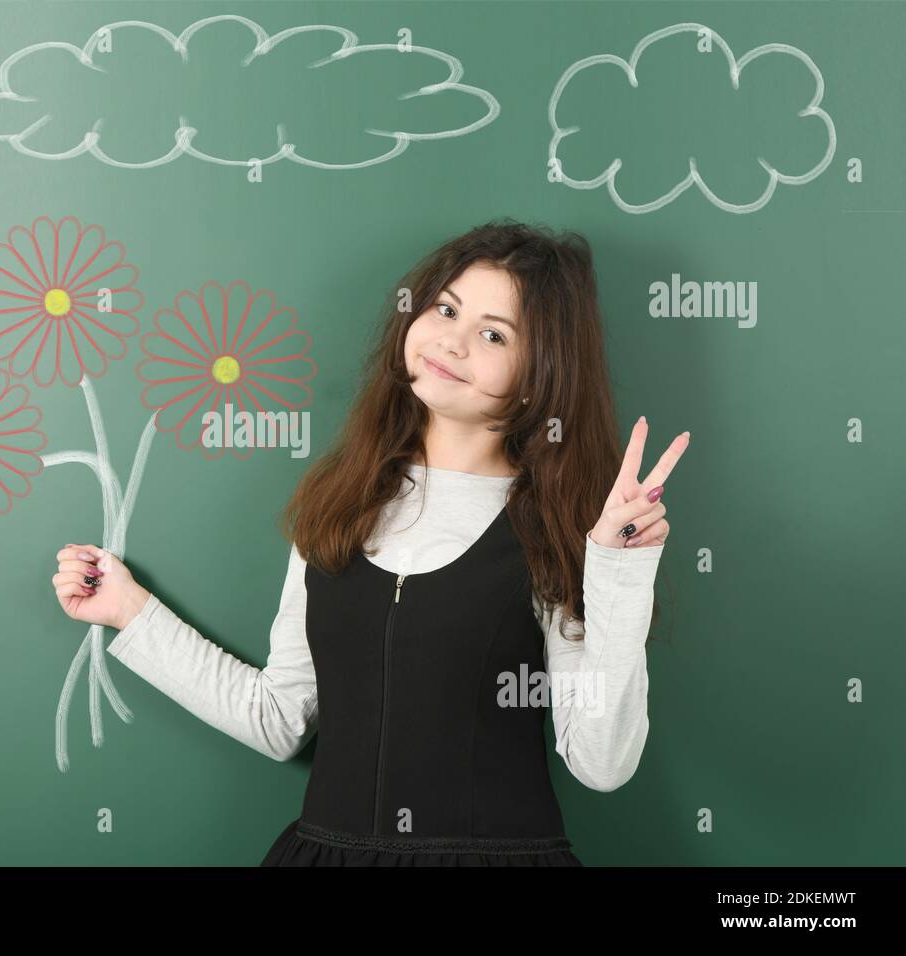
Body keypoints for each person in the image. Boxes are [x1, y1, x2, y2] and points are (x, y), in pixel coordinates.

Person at [51, 218, 690, 866]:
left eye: (493, 333)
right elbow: (277, 720)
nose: (452, 340)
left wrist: (619, 568)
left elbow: (601, 763)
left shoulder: (554, 533)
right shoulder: (339, 503)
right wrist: (130, 612)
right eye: (446, 307)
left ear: (538, 377)